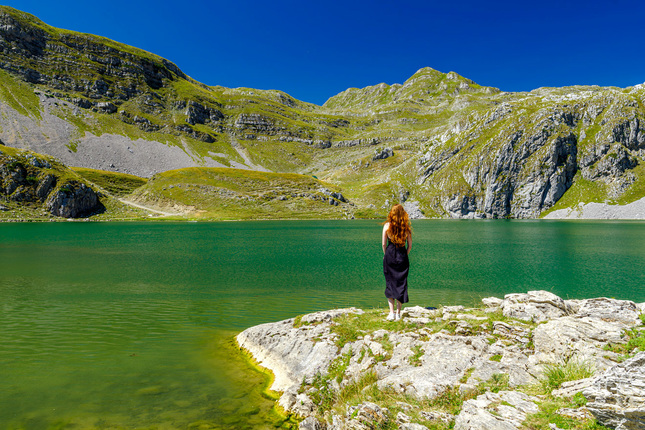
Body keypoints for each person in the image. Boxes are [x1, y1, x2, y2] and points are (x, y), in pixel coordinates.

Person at [382, 204, 412, 321]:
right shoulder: (406, 227)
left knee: (389, 282)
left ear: (392, 213)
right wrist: (404, 255)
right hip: (402, 255)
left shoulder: (387, 226)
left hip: (390, 255)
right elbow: (409, 246)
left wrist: (386, 255)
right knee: (401, 283)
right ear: (403, 213)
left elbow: (384, 244)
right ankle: (398, 313)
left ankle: (391, 313)